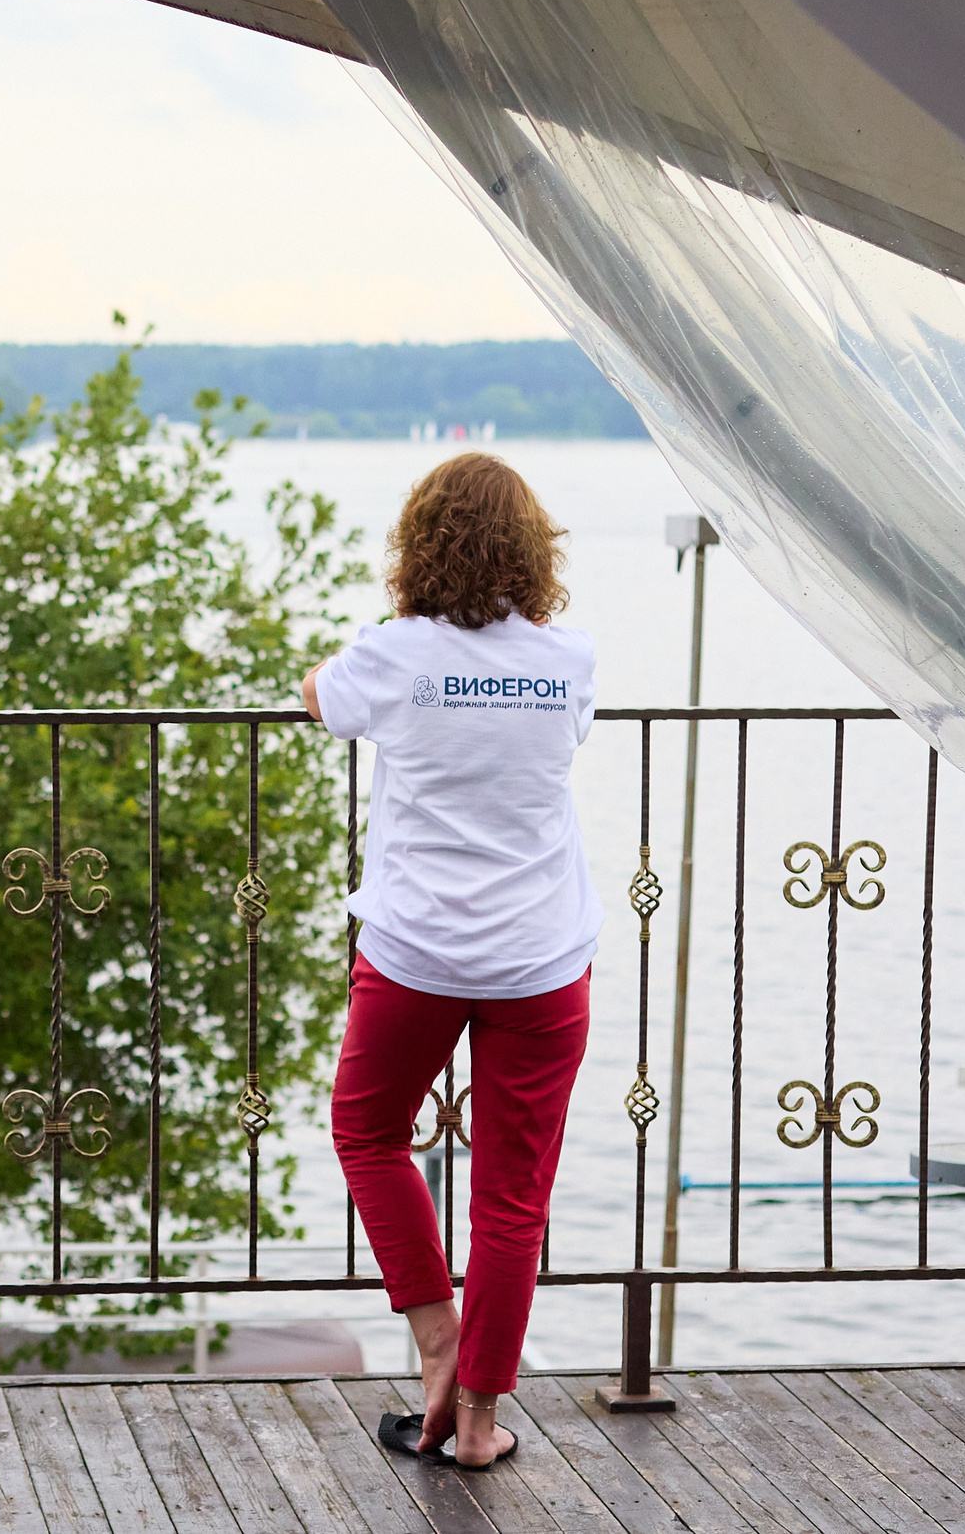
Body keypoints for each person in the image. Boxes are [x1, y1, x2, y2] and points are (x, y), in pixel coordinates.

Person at [302, 452, 599, 1468]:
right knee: (511, 1197)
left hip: (418, 952)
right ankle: (476, 1424)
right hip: (540, 958)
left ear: (417, 545)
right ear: (531, 549)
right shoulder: (569, 659)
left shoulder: (394, 652)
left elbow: (320, 700)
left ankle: (435, 1349)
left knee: (368, 1131)